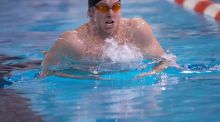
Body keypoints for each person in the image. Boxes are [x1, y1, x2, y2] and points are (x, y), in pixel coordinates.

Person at [41, 0, 172, 78]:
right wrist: (88, 78)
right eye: (103, 8)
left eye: (115, 7)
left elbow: (166, 61)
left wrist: (150, 75)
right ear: (91, 12)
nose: (110, 13)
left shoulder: (136, 30)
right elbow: (46, 72)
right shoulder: (75, 43)